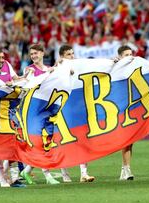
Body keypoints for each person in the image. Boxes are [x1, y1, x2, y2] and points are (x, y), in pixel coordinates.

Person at [19, 44, 61, 185]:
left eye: (36, 53)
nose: (34, 56)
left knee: (47, 142)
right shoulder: (30, 69)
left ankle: (26, 170)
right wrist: (51, 72)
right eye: (31, 54)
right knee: (39, 142)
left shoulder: (49, 70)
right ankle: (48, 176)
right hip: (34, 111)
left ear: (43, 53)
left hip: (48, 110)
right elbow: (28, 80)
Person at [56, 44, 95, 183]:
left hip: (79, 109)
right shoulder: (57, 69)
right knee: (64, 143)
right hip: (63, 110)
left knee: (82, 141)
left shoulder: (79, 66)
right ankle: (64, 174)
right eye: (68, 54)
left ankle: (84, 173)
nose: (72, 56)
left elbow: (96, 65)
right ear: (62, 57)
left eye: (72, 54)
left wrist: (112, 62)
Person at [116, 45, 135, 180]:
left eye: (131, 54)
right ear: (120, 57)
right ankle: (126, 169)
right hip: (117, 109)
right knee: (126, 140)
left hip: (131, 107)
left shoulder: (134, 68)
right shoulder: (115, 68)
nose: (130, 57)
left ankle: (125, 169)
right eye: (126, 55)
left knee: (130, 140)